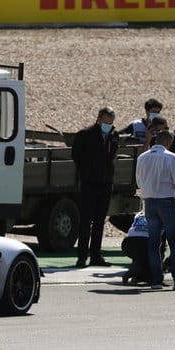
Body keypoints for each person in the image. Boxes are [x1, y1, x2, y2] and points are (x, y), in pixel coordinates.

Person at [136, 130, 175, 290]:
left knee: (153, 242)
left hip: (149, 201)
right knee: (174, 241)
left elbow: (138, 181)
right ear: (168, 142)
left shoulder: (142, 157)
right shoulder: (171, 157)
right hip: (167, 200)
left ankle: (156, 279)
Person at [71, 106, 119, 267]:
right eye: (106, 122)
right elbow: (76, 155)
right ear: (99, 119)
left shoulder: (113, 135)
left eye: (111, 123)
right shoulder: (86, 135)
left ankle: (96, 255)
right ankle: (82, 256)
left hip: (106, 183)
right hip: (89, 182)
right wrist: (87, 170)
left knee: (99, 221)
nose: (109, 125)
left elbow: (112, 156)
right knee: (86, 221)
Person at [143, 117, 175, 245]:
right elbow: (142, 158)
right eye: (161, 130)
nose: (165, 132)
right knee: (157, 226)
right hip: (157, 189)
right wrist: (148, 139)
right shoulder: (153, 142)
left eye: (166, 128)